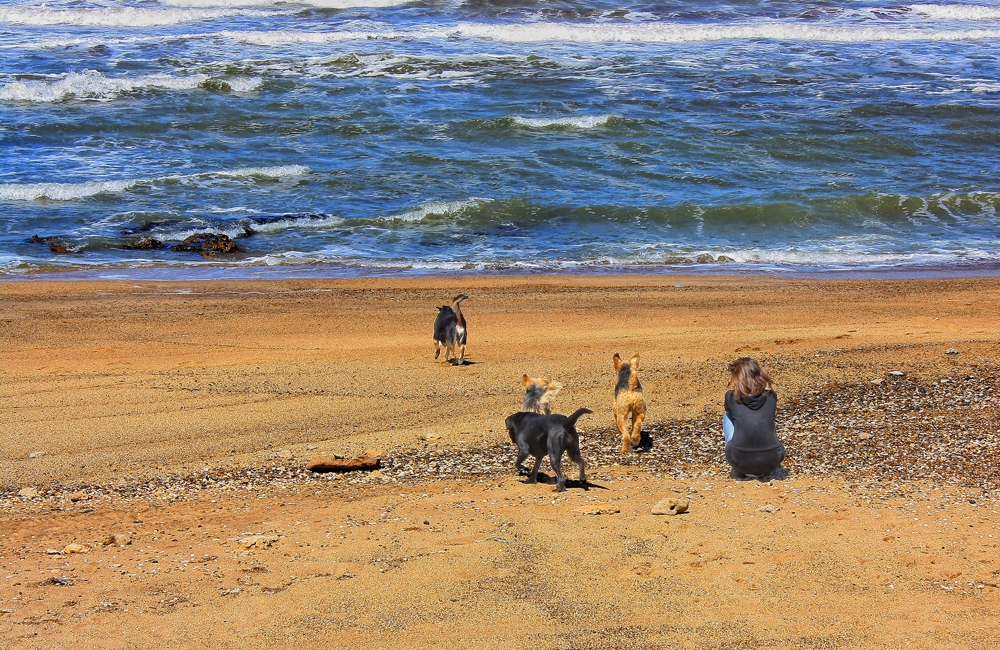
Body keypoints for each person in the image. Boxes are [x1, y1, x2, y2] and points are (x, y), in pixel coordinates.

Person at [723, 357, 785, 480]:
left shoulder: (731, 397)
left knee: (728, 416)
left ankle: (738, 463)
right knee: (765, 418)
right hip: (772, 461)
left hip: (740, 462)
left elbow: (733, 413)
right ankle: (763, 462)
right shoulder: (772, 396)